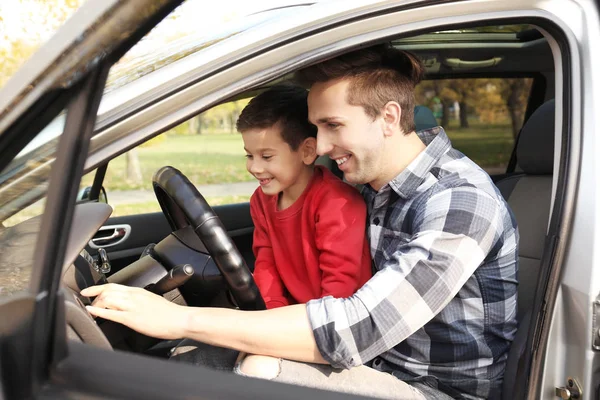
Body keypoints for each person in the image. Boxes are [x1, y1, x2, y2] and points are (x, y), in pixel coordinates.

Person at [82, 43, 518, 400]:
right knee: (191, 358)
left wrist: (179, 317)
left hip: (431, 388)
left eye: (333, 126)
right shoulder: (369, 180)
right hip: (374, 362)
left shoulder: (460, 202)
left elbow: (357, 328)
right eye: (315, 128)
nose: (323, 147)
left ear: (388, 118)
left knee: (259, 368)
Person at [237, 84, 372, 310]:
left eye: (267, 156)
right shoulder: (261, 200)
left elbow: (338, 288)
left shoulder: (338, 203)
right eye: (249, 155)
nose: (254, 167)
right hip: (294, 316)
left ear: (307, 151)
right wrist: (272, 314)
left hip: (335, 322)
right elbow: (266, 263)